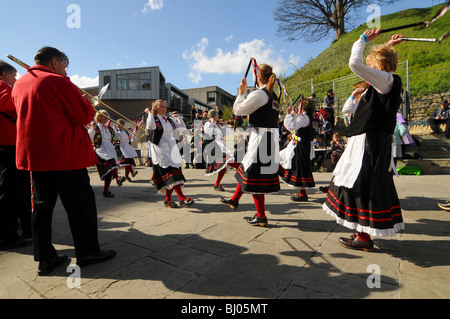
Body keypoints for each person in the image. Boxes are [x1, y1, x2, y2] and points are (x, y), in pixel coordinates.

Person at [12, 46, 116, 275]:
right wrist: (87, 102)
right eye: (65, 65)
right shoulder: (59, 82)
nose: (66, 70)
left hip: (36, 157)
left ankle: (45, 258)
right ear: (56, 62)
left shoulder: (19, 84)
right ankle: (88, 252)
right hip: (64, 154)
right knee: (81, 206)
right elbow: (84, 116)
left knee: (41, 209)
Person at [322, 30, 406, 252]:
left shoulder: (386, 80)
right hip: (368, 141)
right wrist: (389, 45)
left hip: (370, 143)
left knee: (362, 186)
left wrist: (363, 40)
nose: (367, 68)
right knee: (361, 185)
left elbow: (355, 63)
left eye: (372, 63)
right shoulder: (384, 82)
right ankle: (363, 235)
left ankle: (364, 238)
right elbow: (377, 68)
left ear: (379, 64)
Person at [220, 64, 281, 227]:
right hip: (268, 137)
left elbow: (238, 110)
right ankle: (234, 200)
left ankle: (261, 216)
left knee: (254, 177)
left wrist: (241, 93)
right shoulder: (273, 95)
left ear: (258, 76)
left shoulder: (260, 94)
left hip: (261, 138)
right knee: (247, 170)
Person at [0, 60, 32, 249]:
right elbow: (9, 102)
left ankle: (19, 229)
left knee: (16, 191)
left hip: (9, 144)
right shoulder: (2, 86)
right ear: (5, 74)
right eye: (14, 76)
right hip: (8, 145)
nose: (16, 79)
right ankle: (7, 235)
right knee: (10, 192)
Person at [146, 99, 194, 208]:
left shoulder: (168, 120)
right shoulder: (154, 118)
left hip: (171, 149)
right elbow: (150, 126)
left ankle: (167, 199)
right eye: (161, 106)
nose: (164, 109)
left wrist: (177, 117)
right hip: (161, 150)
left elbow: (182, 128)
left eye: (165, 107)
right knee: (172, 175)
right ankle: (182, 198)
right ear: (156, 108)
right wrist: (149, 113)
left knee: (173, 176)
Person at [278, 99, 316, 202]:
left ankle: (302, 194)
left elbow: (291, 125)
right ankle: (302, 193)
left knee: (299, 168)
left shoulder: (304, 118)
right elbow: (298, 126)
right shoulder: (308, 117)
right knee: (300, 168)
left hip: (302, 146)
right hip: (304, 145)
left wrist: (288, 114)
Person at [88, 110, 126, 198]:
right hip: (100, 148)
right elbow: (89, 137)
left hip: (109, 148)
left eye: (107, 116)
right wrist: (92, 129)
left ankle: (106, 191)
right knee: (111, 161)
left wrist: (121, 129)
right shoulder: (96, 127)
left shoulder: (109, 128)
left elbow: (119, 137)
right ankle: (118, 178)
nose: (106, 117)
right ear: (98, 117)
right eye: (103, 116)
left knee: (109, 172)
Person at [204, 109, 239, 191]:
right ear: (213, 115)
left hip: (219, 146)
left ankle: (216, 184)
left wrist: (225, 124)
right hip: (213, 148)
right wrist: (212, 122)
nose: (218, 116)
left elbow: (226, 133)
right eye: (217, 114)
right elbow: (207, 131)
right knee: (227, 160)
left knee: (223, 167)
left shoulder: (217, 124)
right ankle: (243, 171)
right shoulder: (208, 123)